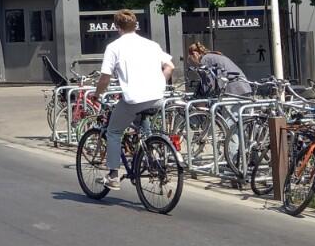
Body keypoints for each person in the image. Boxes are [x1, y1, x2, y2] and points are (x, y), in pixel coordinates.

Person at [93, 10, 175, 190]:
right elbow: (169, 66)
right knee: (142, 123)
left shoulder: (114, 47)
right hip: (156, 97)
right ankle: (152, 159)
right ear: (135, 25)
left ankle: (113, 175)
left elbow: (105, 78)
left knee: (114, 131)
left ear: (117, 27)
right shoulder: (151, 44)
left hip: (134, 99)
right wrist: (159, 82)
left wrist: (97, 94)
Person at [185, 42, 251, 98]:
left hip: (234, 90)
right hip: (242, 87)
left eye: (191, 58)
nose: (193, 62)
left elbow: (207, 82)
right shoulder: (212, 56)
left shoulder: (205, 60)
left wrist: (200, 97)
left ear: (195, 54)